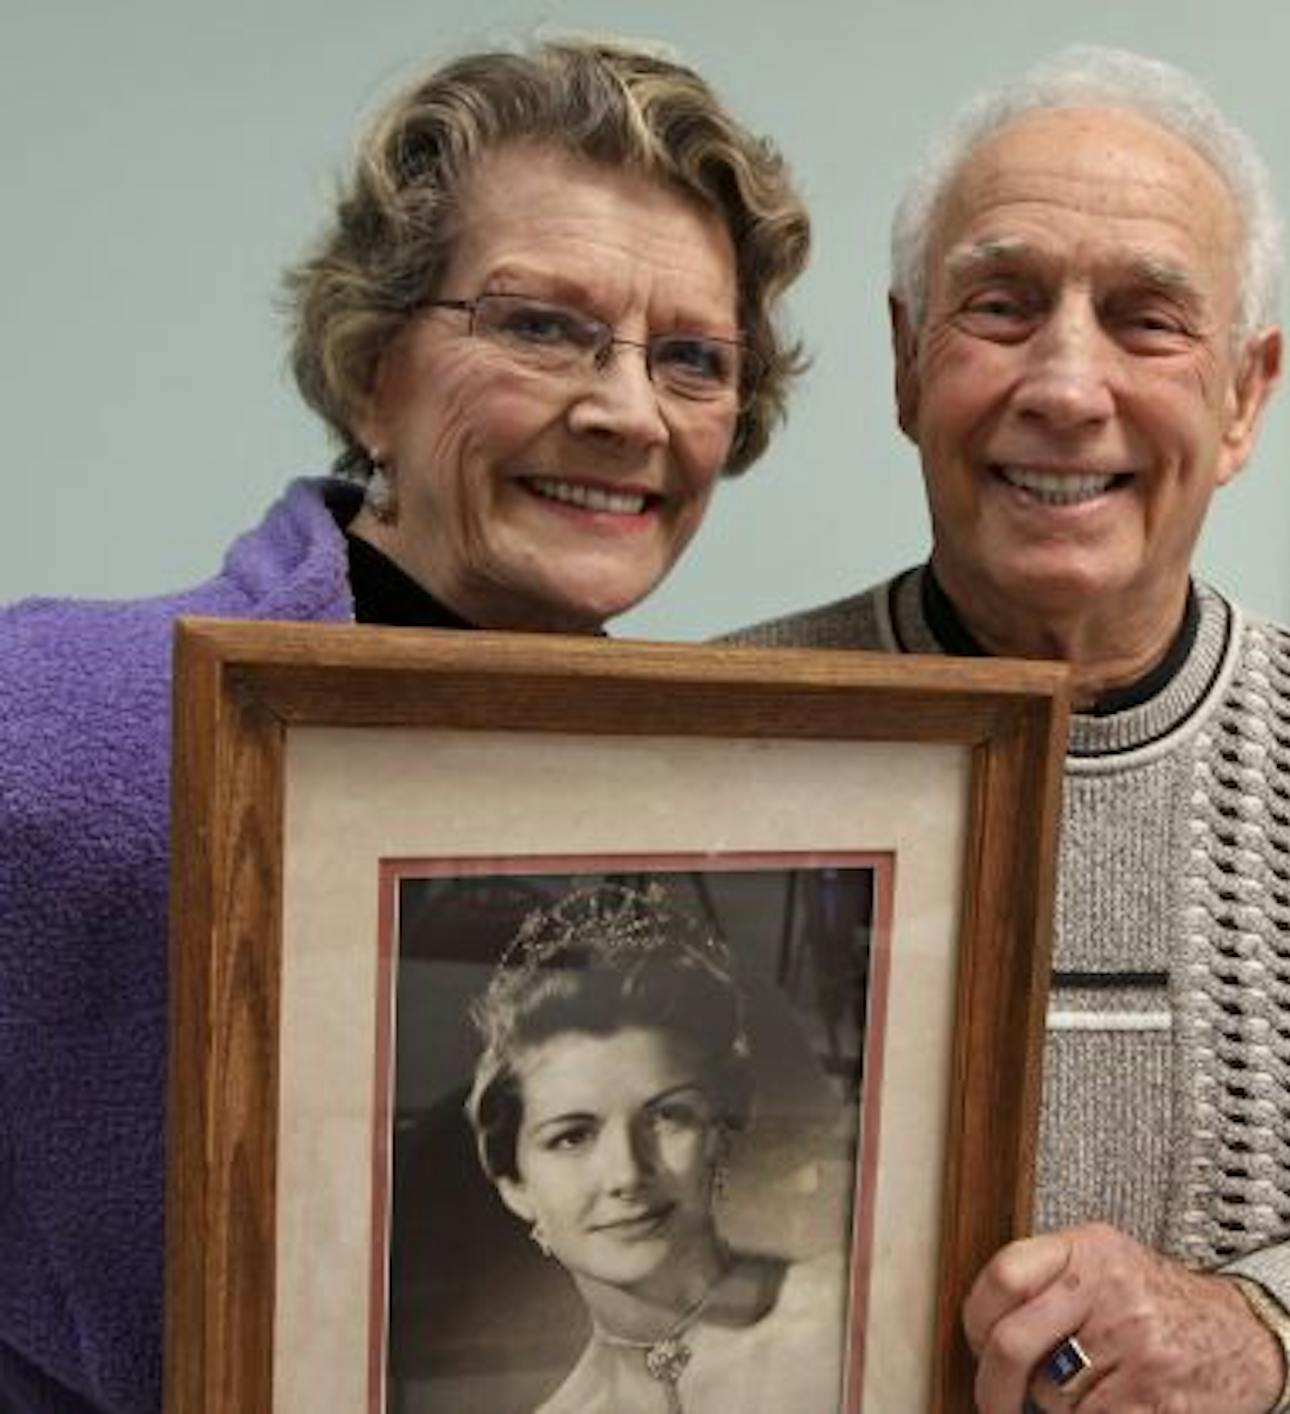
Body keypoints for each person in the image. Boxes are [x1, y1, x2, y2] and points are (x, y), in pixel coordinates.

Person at [730, 45, 1290, 1413]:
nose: (1068, 386)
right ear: (906, 362)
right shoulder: (719, 737)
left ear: (1244, 393)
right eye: (1002, 307)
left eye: (1146, 319)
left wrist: (1257, 1327)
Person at [0, 38, 809, 1411]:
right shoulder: (48, 726)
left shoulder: (741, 819)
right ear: (372, 366)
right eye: (542, 324)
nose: (626, 411)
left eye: (691, 358)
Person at [464, 884, 843, 1413]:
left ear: (721, 1131)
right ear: (515, 1187)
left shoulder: (853, 1317)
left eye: (668, 1116)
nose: (626, 1172)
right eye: (572, 1136)